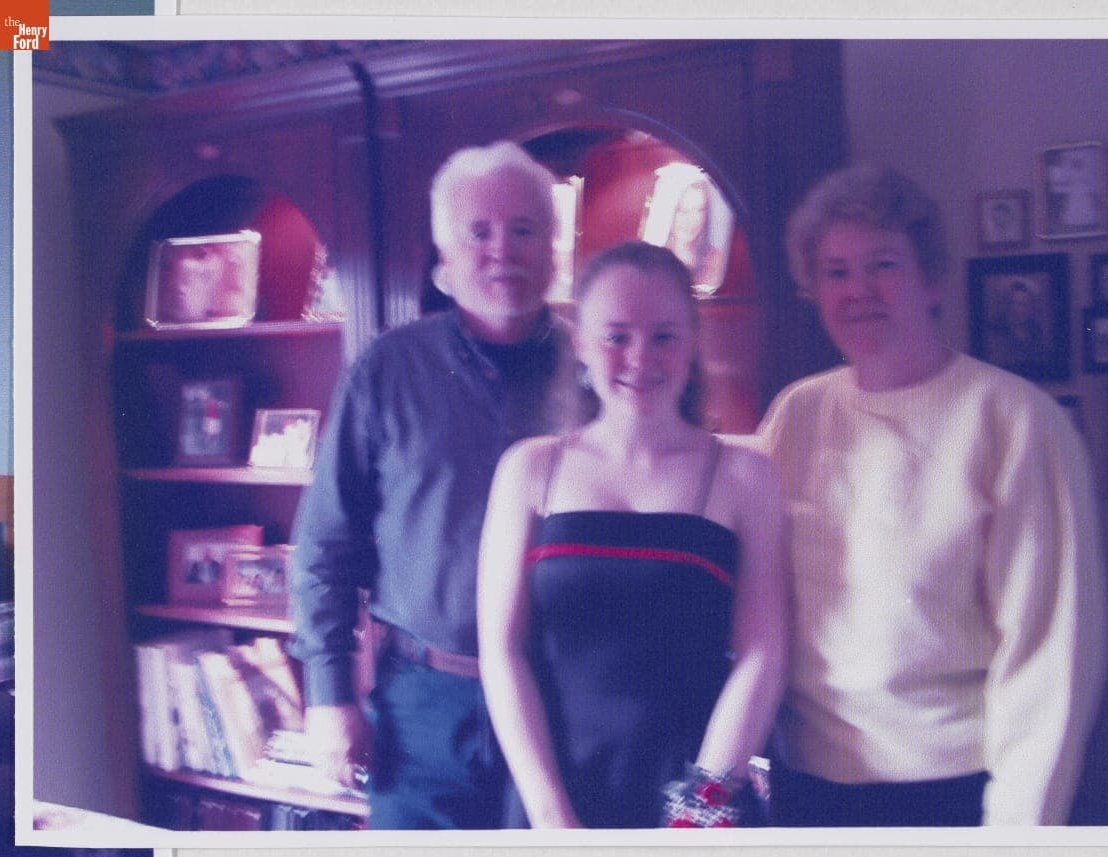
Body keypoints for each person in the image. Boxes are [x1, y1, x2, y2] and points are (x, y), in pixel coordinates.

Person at [757, 164, 1108, 826]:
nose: (858, 290)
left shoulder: (1014, 421)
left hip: (952, 790)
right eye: (836, 271)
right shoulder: (795, 415)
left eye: (882, 264)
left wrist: (1020, 823)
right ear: (813, 287)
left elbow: (1050, 653)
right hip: (809, 785)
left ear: (932, 278)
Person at [288, 140, 574, 829]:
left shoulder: (596, 368)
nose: (503, 249)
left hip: (561, 699)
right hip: (420, 705)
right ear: (446, 256)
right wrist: (329, 696)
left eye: (524, 229)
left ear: (554, 248)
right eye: (479, 232)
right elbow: (325, 542)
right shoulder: (385, 370)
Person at [477, 241, 788, 828]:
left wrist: (699, 812)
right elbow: (503, 649)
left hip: (698, 802)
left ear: (693, 343)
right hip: (552, 798)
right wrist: (551, 818)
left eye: (664, 336)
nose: (640, 357)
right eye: (616, 336)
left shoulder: (747, 475)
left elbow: (762, 652)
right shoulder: (529, 469)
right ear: (581, 345)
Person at [664, 177, 727, 293]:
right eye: (682, 210)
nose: (691, 220)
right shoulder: (656, 260)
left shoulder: (716, 259)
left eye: (699, 210)